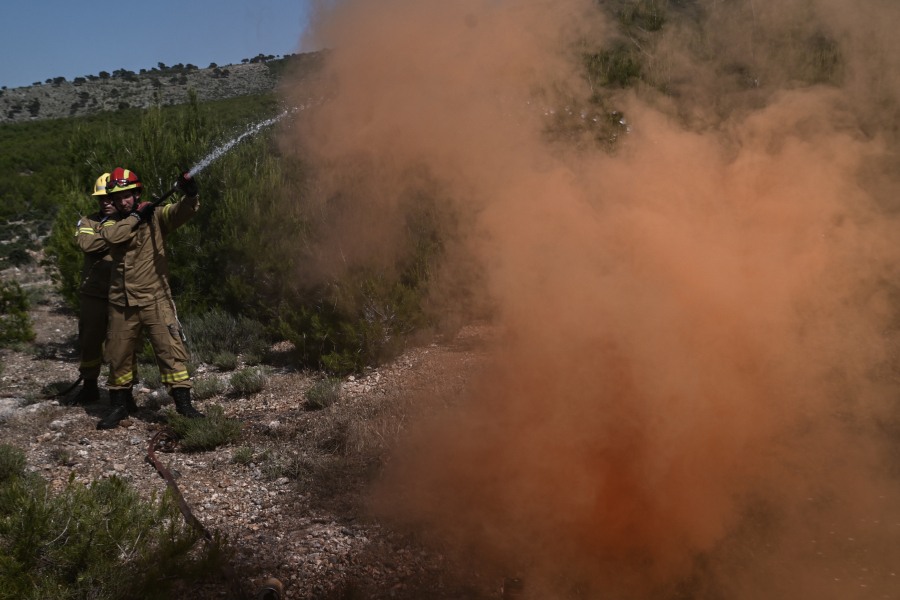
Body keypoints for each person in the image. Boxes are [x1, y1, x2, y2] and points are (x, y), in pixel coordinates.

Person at [95, 167, 203, 430]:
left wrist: (190, 195)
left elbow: (180, 212)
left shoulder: (155, 214)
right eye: (118, 197)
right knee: (118, 355)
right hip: (122, 303)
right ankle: (119, 405)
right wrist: (134, 217)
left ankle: (184, 406)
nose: (123, 201)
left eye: (128, 195)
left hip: (156, 299)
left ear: (136, 192)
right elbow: (113, 237)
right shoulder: (111, 221)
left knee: (171, 352)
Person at [66, 173, 121, 406]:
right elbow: (87, 244)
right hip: (93, 294)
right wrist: (115, 228)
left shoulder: (130, 220)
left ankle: (122, 393)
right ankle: (90, 387)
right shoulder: (87, 222)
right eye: (101, 199)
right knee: (90, 341)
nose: (105, 202)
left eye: (110, 198)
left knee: (121, 343)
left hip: (121, 292)